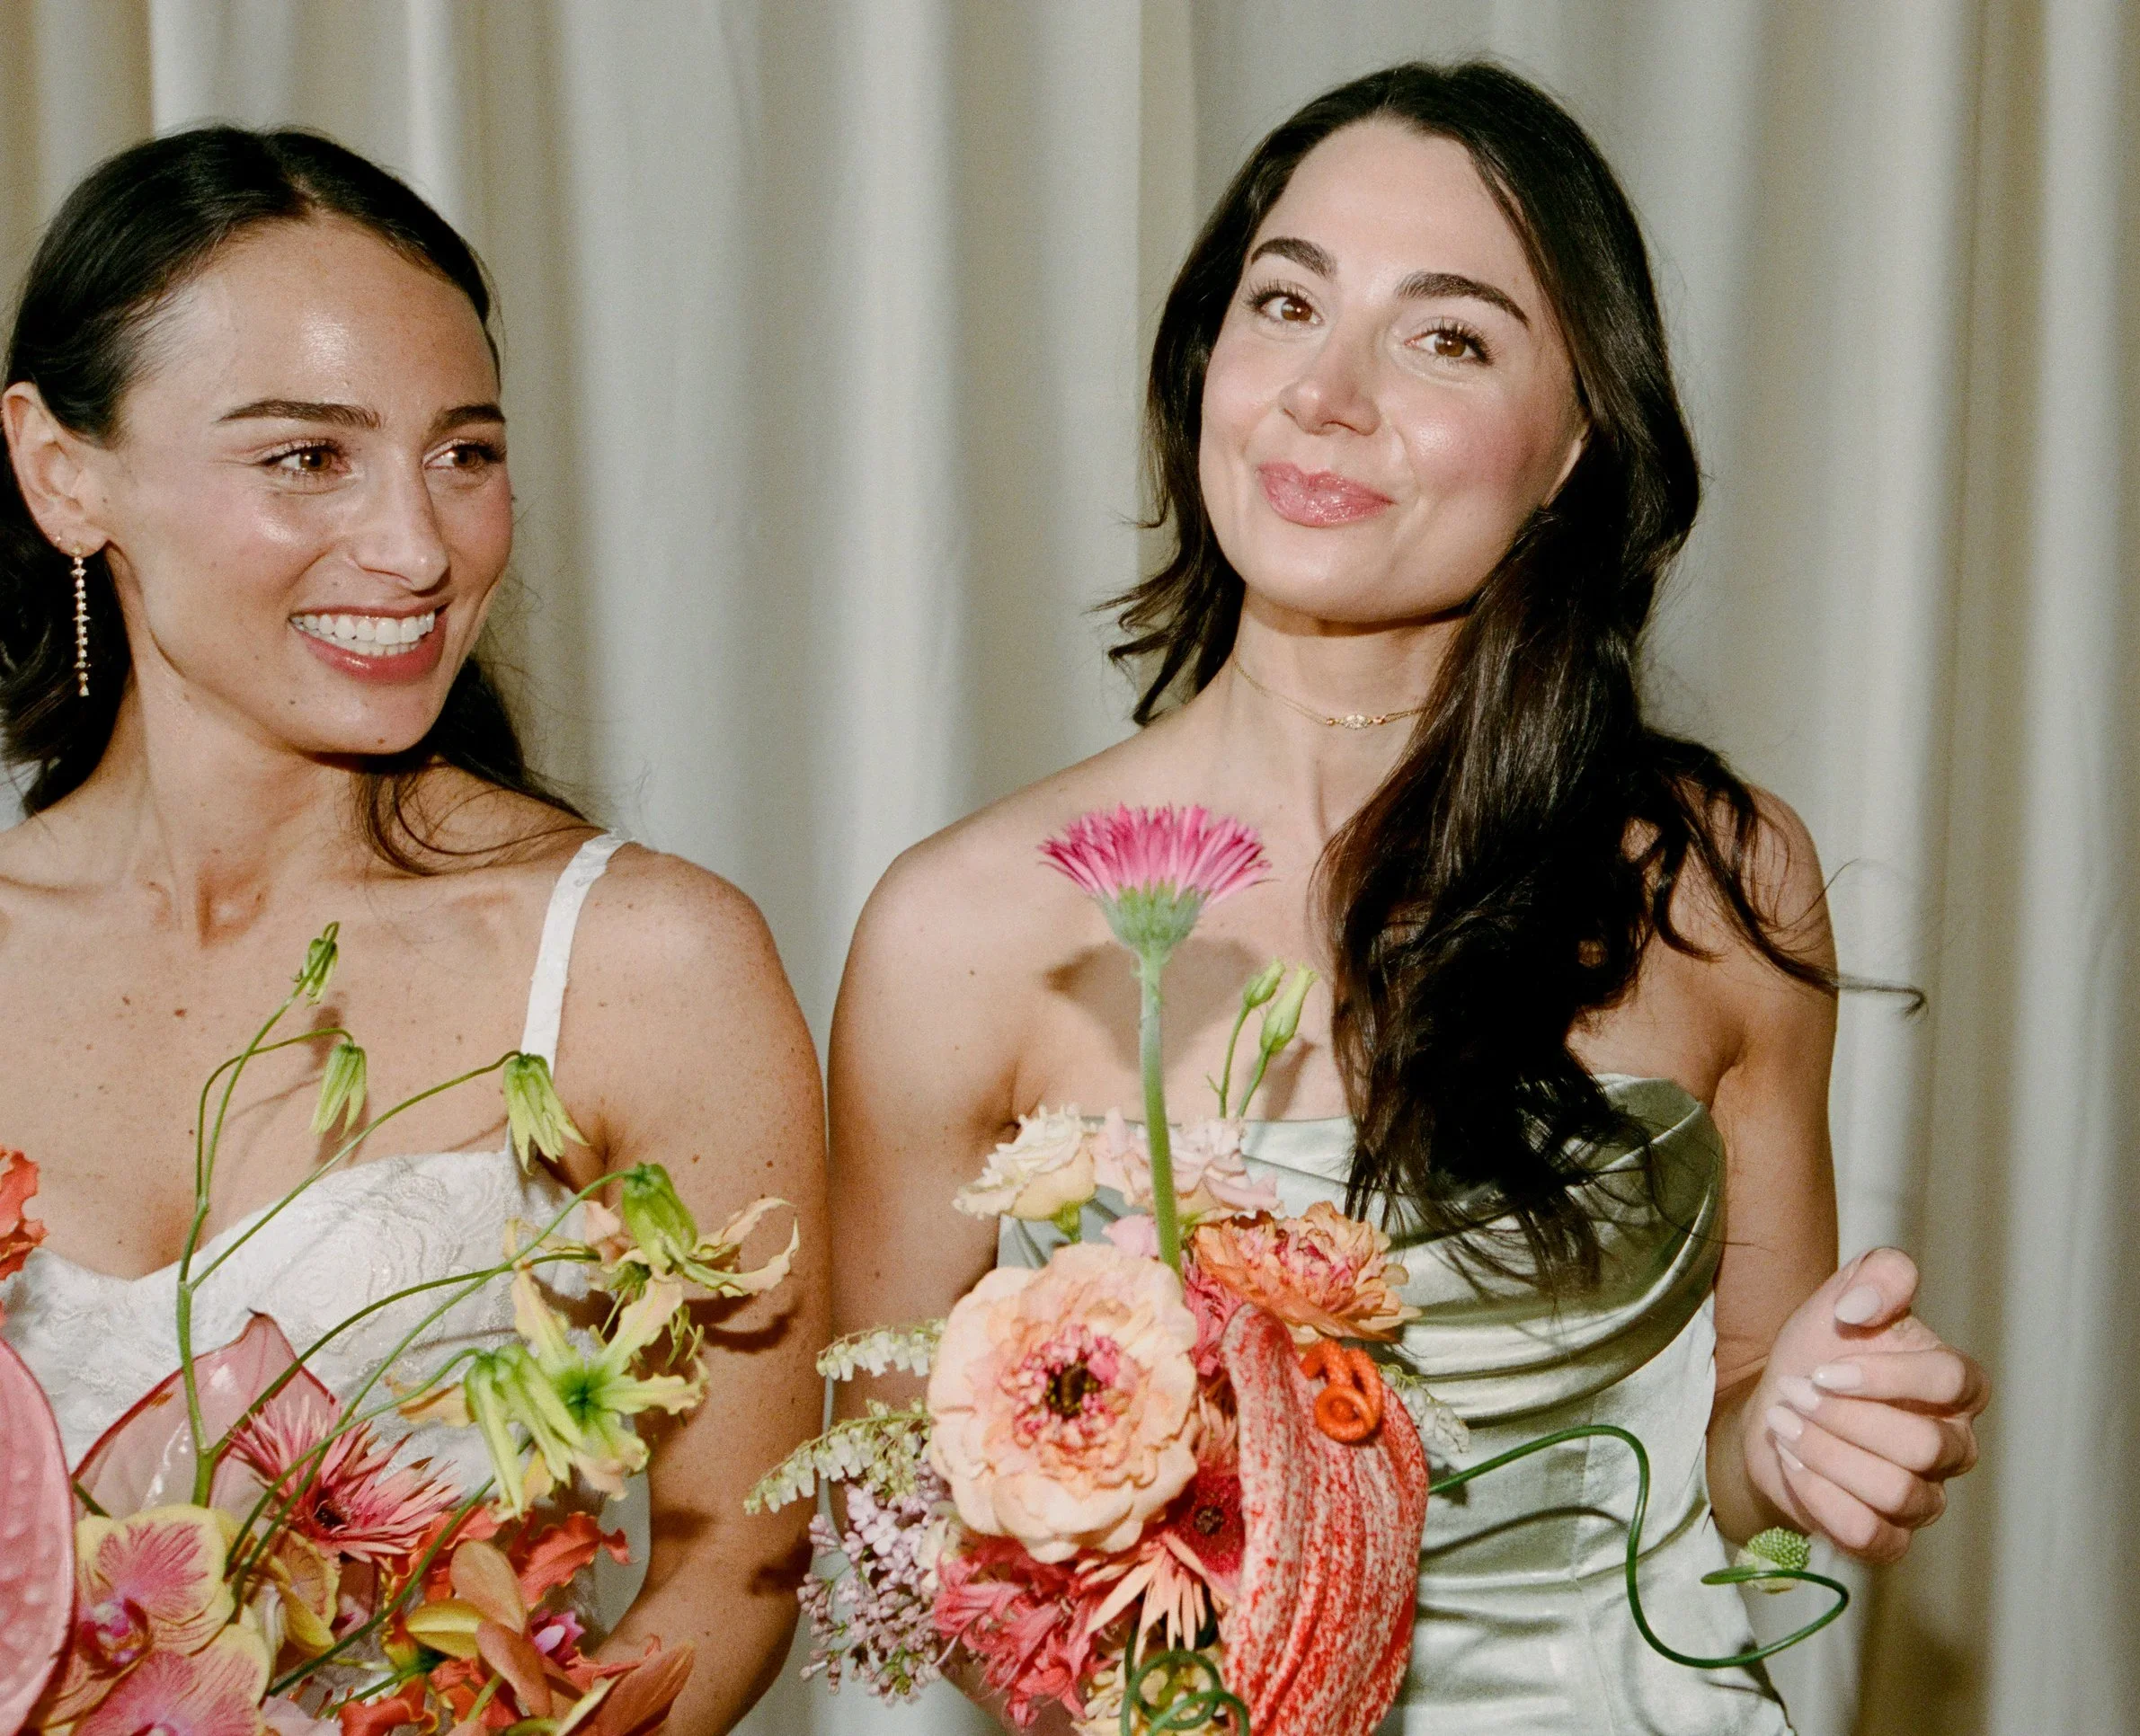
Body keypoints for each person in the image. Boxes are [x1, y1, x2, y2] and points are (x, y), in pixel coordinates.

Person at [830, 61, 1987, 1732]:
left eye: (1447, 337)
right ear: (1204, 362)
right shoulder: (967, 929)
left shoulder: (1721, 888)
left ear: (1579, 440)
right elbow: (888, 1499)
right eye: (1284, 302)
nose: (1324, 392)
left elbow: (1734, 1434)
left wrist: (1789, 1432)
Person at [0, 127, 825, 1728]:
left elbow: (739, 1559)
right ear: (61, 472)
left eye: (462, 452)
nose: (419, 545)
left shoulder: (644, 964)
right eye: (308, 457)